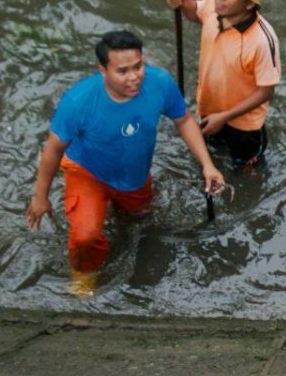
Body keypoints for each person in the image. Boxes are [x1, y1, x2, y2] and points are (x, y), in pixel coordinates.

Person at [25, 30, 224, 295]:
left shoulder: (160, 83)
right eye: (123, 71)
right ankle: (84, 276)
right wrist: (41, 196)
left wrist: (207, 165)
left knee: (139, 220)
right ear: (103, 70)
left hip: (134, 175)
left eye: (138, 66)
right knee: (85, 236)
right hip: (88, 172)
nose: (134, 77)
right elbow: (53, 150)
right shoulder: (78, 101)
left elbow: (184, 120)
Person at [165, 0, 280, 171]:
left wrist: (224, 117)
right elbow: (195, 11)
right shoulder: (214, 4)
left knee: (245, 171)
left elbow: (266, 91)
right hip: (209, 109)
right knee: (211, 156)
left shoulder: (262, 40)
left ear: (248, 4)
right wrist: (182, 1)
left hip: (244, 125)